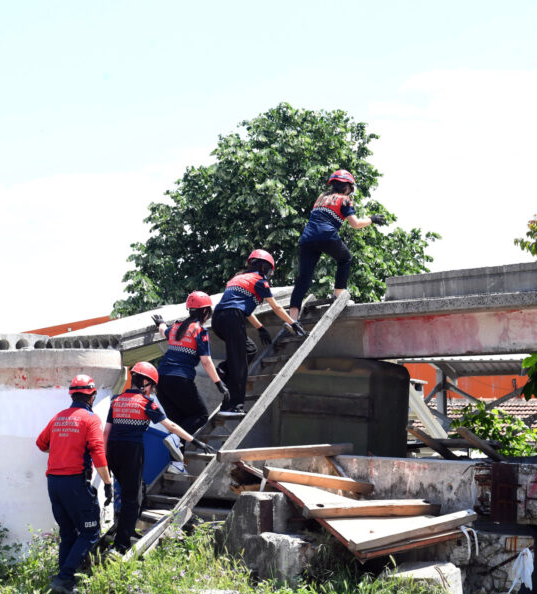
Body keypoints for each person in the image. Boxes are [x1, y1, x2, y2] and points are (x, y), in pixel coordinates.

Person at [103, 361, 212, 553]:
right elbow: (172, 426)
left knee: (138, 490)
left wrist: (104, 461)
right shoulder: (146, 403)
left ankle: (127, 531)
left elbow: (106, 433)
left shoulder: (116, 401)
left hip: (112, 452)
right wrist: (195, 441)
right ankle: (120, 546)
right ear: (145, 382)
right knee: (131, 499)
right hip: (131, 451)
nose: (152, 391)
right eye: (151, 386)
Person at [35, 374, 113, 594]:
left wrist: (62, 448)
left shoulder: (58, 417)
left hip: (54, 483)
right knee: (90, 532)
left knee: (68, 534)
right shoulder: (90, 419)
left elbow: (41, 443)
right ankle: (64, 577)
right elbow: (98, 452)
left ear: (72, 395)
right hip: (75, 484)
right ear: (92, 396)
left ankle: (62, 587)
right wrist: (108, 483)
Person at [211, 249, 306, 413]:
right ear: (264, 267)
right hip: (232, 318)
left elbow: (244, 309)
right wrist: (293, 323)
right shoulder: (260, 281)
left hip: (218, 319)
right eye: (269, 270)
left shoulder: (237, 278)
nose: (269, 274)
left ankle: (223, 370)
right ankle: (234, 406)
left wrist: (260, 328)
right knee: (240, 364)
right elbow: (276, 307)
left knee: (249, 349)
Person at [288, 169, 387, 321]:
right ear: (346, 186)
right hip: (327, 236)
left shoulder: (321, 197)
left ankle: (292, 320)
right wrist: (372, 219)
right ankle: (338, 295)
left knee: (303, 279)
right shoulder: (345, 199)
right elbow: (355, 224)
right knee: (345, 258)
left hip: (307, 238)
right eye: (350, 188)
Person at [150, 291, 230, 435]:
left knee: (179, 422)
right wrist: (219, 384)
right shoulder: (199, 331)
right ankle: (174, 440)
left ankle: (176, 445)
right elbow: (206, 362)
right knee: (201, 416)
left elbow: (163, 331)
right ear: (205, 311)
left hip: (161, 379)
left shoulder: (176, 327)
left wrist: (160, 323)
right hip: (180, 379)